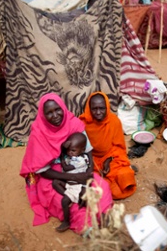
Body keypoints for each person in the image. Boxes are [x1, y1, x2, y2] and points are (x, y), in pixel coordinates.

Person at [20, 93, 113, 233]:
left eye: (57, 109)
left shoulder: (73, 123)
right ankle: (88, 228)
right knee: (71, 203)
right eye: (49, 113)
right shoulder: (38, 133)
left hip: (77, 168)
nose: (55, 115)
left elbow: (86, 150)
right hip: (53, 175)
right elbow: (43, 170)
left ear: (63, 108)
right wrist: (74, 178)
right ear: (43, 115)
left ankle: (104, 215)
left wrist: (87, 174)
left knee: (101, 186)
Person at [79, 92, 137, 199]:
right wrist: (92, 164)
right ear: (88, 108)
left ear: (107, 107)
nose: (98, 112)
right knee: (97, 181)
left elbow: (119, 147)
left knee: (125, 174)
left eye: (102, 108)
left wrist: (109, 160)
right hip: (91, 160)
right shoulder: (82, 124)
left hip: (111, 157)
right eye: (94, 109)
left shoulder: (114, 121)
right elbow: (79, 149)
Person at [52, 132, 93, 232]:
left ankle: (66, 222)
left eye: (73, 150)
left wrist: (62, 157)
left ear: (83, 150)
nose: (70, 152)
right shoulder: (75, 155)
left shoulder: (81, 160)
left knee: (64, 201)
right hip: (71, 183)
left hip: (77, 185)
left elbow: (66, 168)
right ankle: (72, 197)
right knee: (55, 182)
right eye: (69, 150)